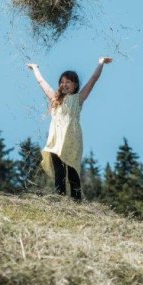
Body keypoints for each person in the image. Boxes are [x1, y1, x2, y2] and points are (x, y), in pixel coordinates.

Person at [27, 57, 113, 200]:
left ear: (75, 85)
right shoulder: (55, 99)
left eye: (68, 82)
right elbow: (41, 82)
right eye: (62, 82)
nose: (64, 84)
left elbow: (93, 79)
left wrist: (100, 62)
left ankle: (76, 202)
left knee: (73, 173)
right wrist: (35, 68)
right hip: (56, 142)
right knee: (59, 173)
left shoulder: (78, 98)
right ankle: (60, 200)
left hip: (72, 141)